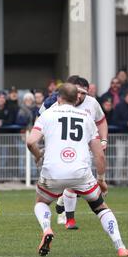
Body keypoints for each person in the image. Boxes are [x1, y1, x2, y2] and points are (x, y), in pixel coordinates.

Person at [26, 83, 128, 257]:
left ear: (58, 98)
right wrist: (101, 179)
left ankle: (47, 229)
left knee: (41, 202)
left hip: (53, 171)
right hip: (80, 172)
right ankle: (120, 247)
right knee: (100, 208)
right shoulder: (86, 117)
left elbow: (31, 142)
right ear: (76, 99)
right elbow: (99, 155)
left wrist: (38, 155)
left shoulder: (47, 115)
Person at [38, 76, 108, 230]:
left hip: (84, 146)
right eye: (78, 92)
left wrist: (103, 140)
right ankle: (68, 217)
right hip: (61, 148)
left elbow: (101, 121)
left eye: (84, 93)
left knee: (74, 179)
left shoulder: (92, 103)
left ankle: (64, 207)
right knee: (73, 177)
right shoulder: (52, 102)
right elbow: (41, 119)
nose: (80, 96)